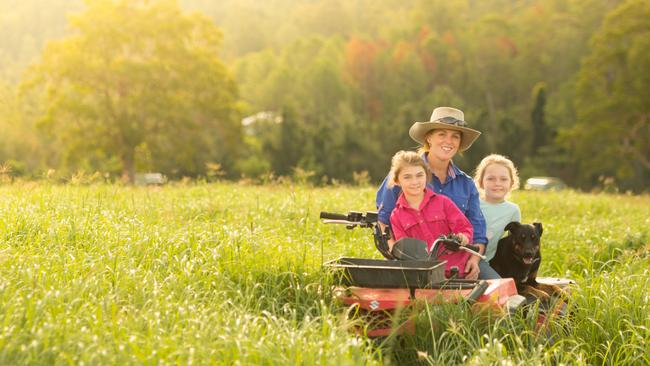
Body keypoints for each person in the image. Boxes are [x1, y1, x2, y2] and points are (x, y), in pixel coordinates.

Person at [376, 106, 494, 280]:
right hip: (414, 265)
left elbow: (477, 230)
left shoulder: (466, 184)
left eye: (455, 136)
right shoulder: (404, 175)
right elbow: (383, 223)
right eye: (442, 134)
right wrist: (400, 258)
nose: (449, 141)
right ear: (429, 138)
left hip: (461, 262)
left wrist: (475, 260)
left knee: (501, 293)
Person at [388, 151, 474, 278]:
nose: (415, 181)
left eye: (419, 175)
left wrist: (463, 238)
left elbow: (465, 229)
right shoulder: (396, 216)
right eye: (407, 177)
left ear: (426, 176)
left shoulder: (443, 202)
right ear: (397, 181)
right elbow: (406, 252)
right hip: (423, 276)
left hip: (456, 272)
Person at [473, 154, 521, 262]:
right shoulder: (473, 204)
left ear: (512, 183)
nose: (497, 183)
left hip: (485, 261)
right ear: (481, 182)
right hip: (462, 258)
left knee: (499, 279)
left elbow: (512, 243)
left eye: (503, 179)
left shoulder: (513, 210)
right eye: (491, 179)